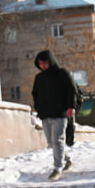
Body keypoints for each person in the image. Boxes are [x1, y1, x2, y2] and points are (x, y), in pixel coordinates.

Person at [32, 50, 80, 180]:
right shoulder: (39, 78)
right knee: (51, 142)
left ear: (51, 61)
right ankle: (68, 160)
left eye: (45, 63)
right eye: (40, 63)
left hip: (60, 113)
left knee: (58, 140)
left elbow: (72, 90)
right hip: (45, 114)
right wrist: (38, 108)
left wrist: (71, 107)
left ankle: (57, 168)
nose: (43, 66)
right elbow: (35, 94)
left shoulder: (62, 74)